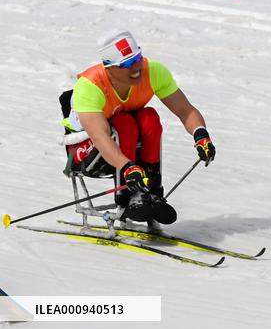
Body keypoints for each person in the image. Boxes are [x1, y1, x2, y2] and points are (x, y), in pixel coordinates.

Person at [63, 30, 217, 225]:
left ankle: (151, 192)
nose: (136, 67)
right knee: (124, 124)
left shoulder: (153, 71)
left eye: (137, 58)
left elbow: (185, 111)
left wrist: (201, 136)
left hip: (124, 141)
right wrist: (127, 167)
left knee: (149, 118)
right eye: (126, 64)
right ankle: (127, 197)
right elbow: (100, 136)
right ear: (108, 69)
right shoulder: (90, 86)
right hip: (84, 149)